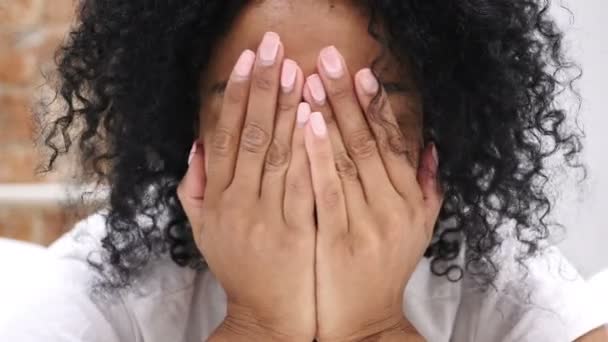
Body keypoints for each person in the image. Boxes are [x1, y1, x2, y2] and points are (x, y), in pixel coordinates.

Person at [0, 0, 606, 341]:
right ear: (190, 128)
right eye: (259, 96)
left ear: (437, 115)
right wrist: (257, 324)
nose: (313, 135)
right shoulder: (100, 293)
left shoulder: (502, 286)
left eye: (368, 93)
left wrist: (374, 327)